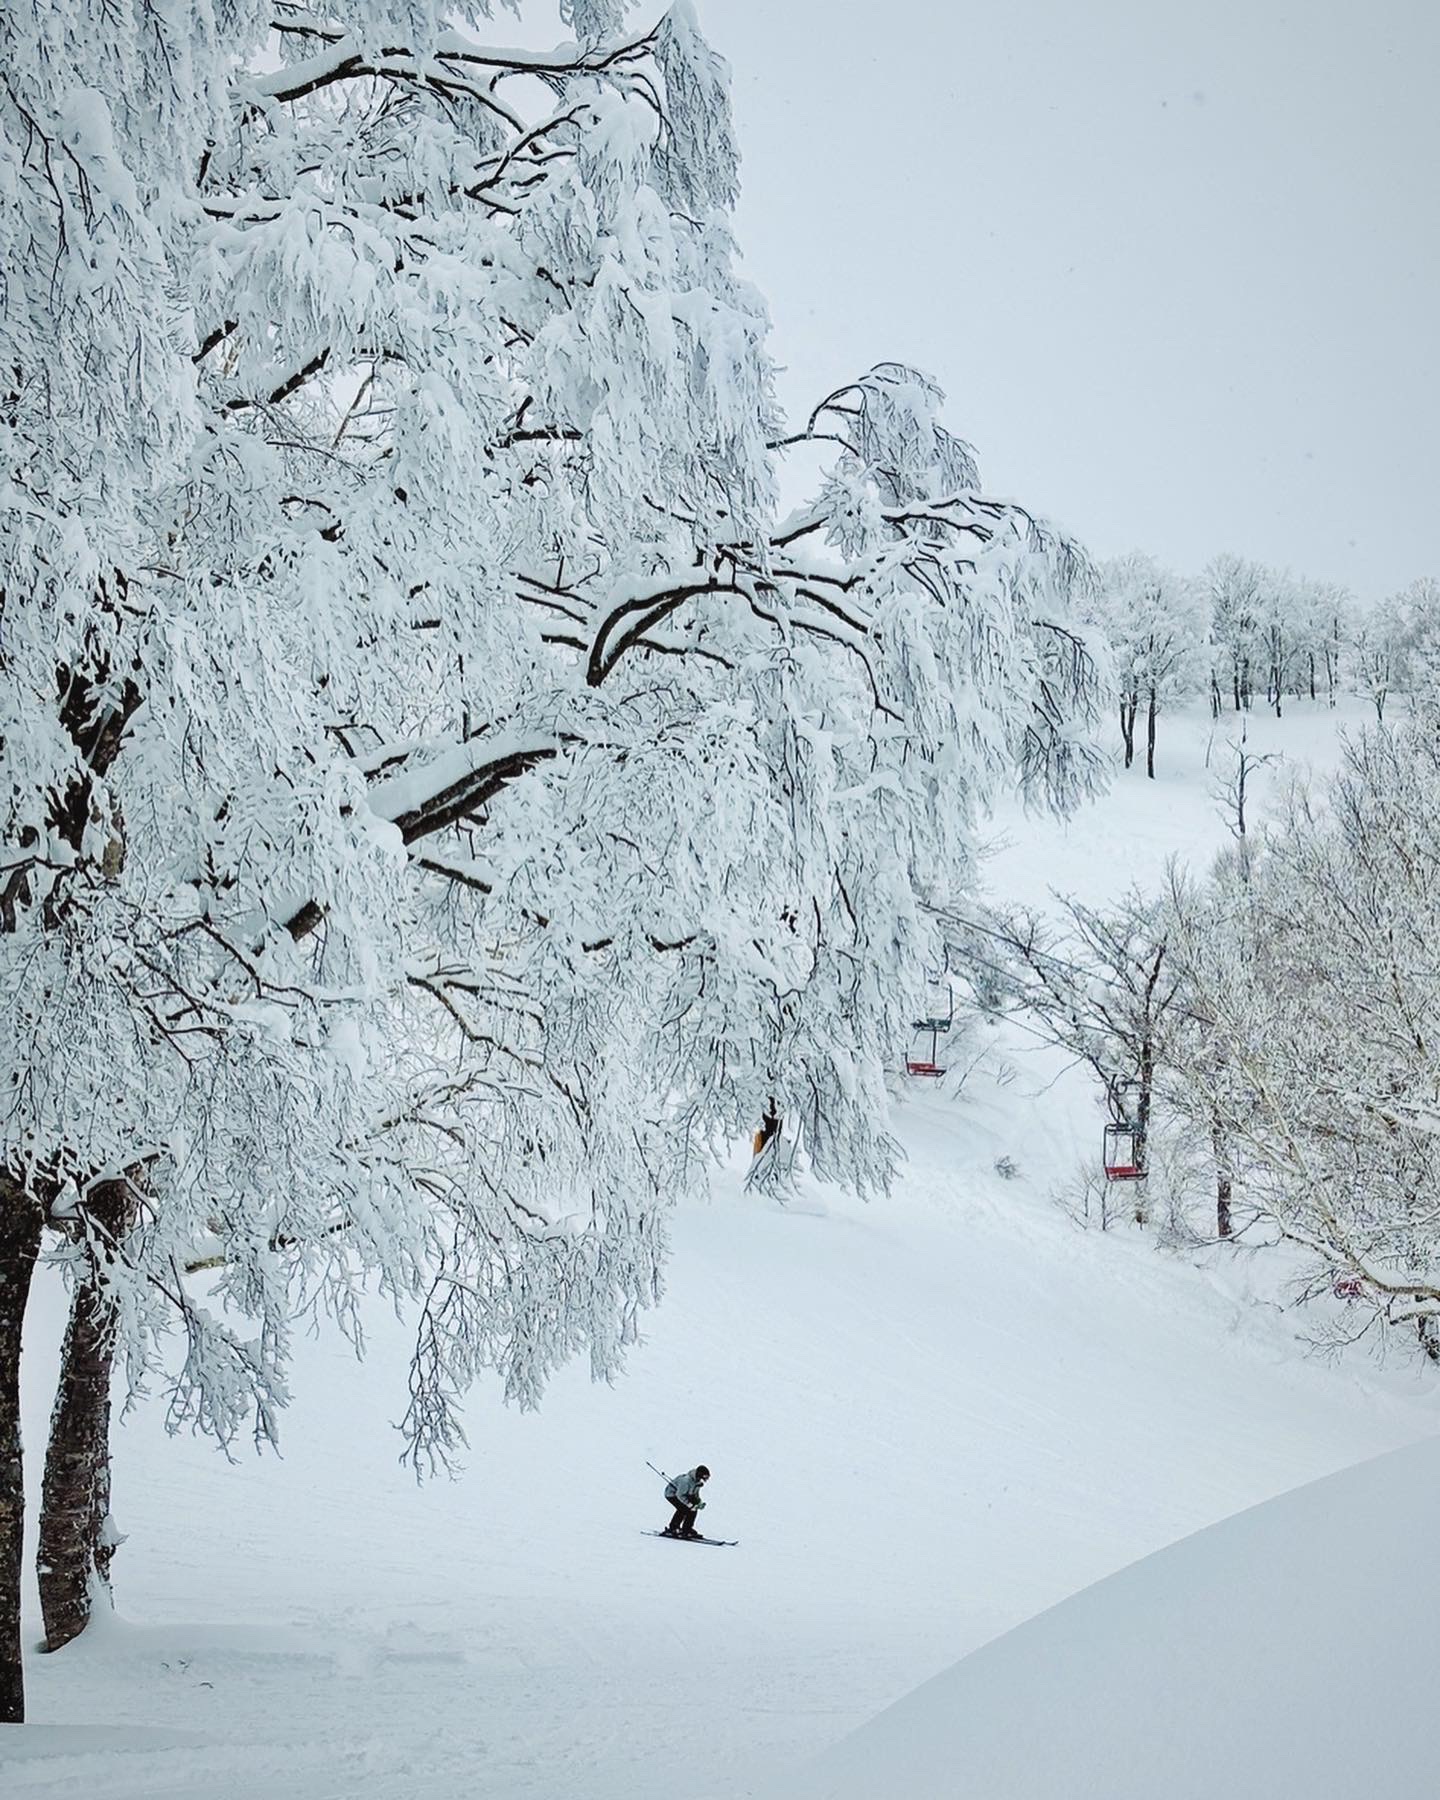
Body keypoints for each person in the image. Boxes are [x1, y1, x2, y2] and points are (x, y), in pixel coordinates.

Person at [662, 1464, 711, 1538]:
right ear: (699, 1475)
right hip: (672, 1494)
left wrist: (698, 1502)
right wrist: (689, 1504)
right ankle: (673, 1528)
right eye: (705, 1477)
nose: (705, 1479)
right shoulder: (686, 1481)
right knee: (683, 1509)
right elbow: (680, 1495)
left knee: (694, 1509)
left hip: (685, 1494)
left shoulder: (698, 1482)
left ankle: (687, 1528)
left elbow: (695, 1494)